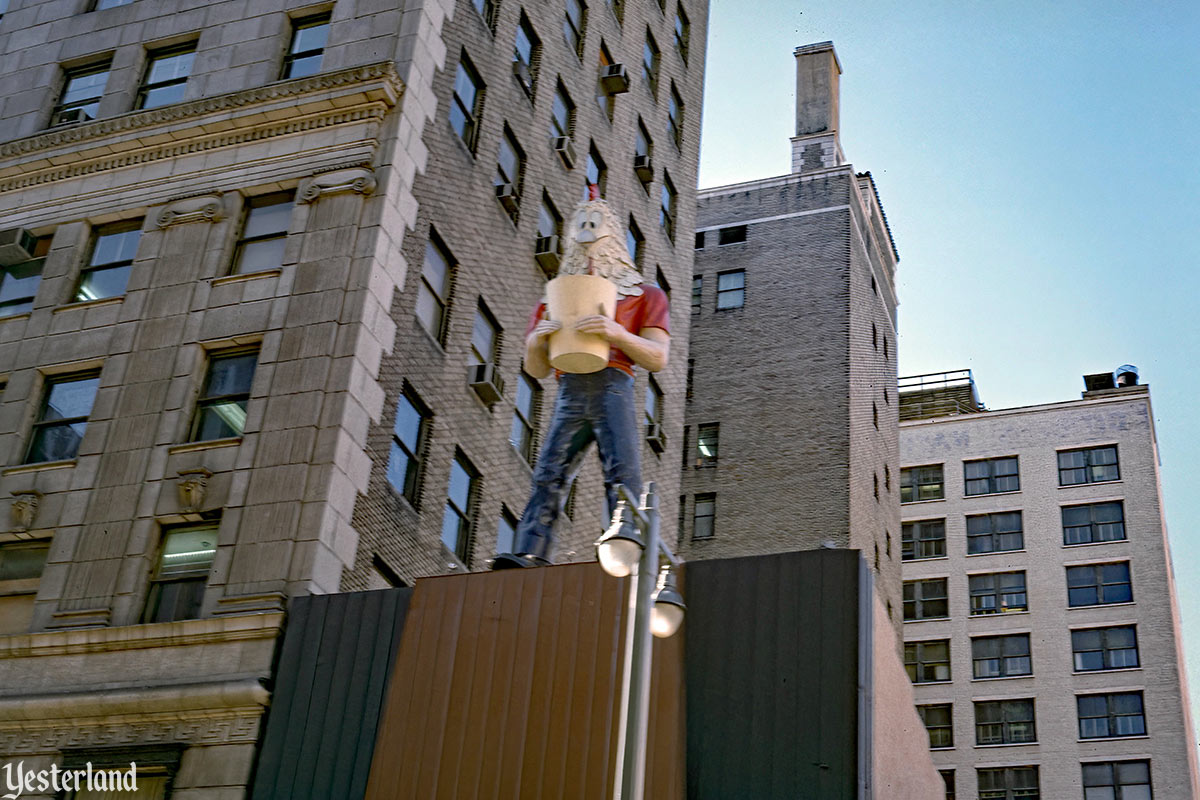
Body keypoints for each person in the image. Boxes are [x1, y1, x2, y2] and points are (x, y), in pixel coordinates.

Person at [493, 192, 670, 569]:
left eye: (596, 220)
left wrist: (616, 334)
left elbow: (657, 357)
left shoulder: (644, 295)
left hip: (613, 384)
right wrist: (536, 341)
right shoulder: (551, 300)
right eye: (580, 220)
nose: (586, 227)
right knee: (548, 473)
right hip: (570, 389)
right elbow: (537, 369)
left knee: (622, 471)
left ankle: (629, 543)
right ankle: (531, 551)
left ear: (614, 233)